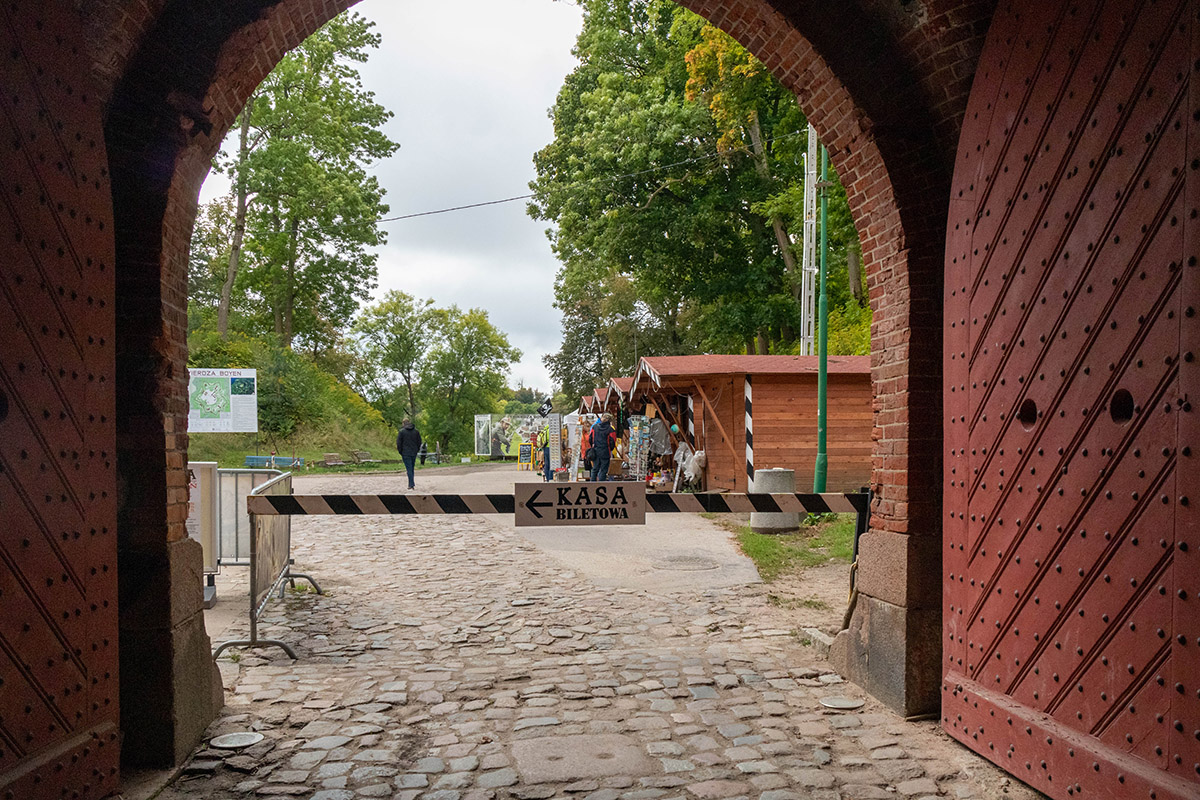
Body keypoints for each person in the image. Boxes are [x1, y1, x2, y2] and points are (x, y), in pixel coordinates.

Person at [396, 418, 423, 490]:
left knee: (409, 468)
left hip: (405, 452)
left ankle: (411, 484)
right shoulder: (416, 431)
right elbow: (419, 442)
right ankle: (411, 483)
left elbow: (399, 443)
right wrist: (416, 450)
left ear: (403, 423)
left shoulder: (402, 432)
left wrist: (400, 451)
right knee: (411, 468)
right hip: (413, 452)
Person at [589, 413, 617, 482]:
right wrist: (611, 448)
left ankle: (592, 484)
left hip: (596, 450)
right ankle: (601, 483)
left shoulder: (594, 427)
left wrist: (593, 445)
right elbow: (612, 441)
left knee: (595, 469)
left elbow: (590, 438)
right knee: (603, 469)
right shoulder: (611, 429)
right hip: (605, 451)